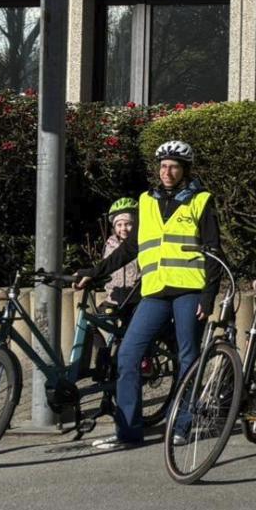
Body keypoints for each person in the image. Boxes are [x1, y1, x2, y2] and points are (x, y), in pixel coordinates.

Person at [78, 140, 221, 450]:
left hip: (189, 290)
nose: (166, 172)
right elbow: (131, 247)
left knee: (188, 357)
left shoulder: (200, 200)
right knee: (128, 355)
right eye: (163, 166)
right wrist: (95, 271)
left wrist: (208, 296)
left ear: (185, 170)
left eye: (173, 167)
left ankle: (181, 425)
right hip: (154, 291)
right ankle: (128, 432)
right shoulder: (146, 200)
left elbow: (213, 252)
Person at [102, 197, 140, 308]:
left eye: (128, 224)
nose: (123, 228)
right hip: (113, 298)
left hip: (136, 299)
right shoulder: (109, 244)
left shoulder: (140, 245)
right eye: (119, 225)